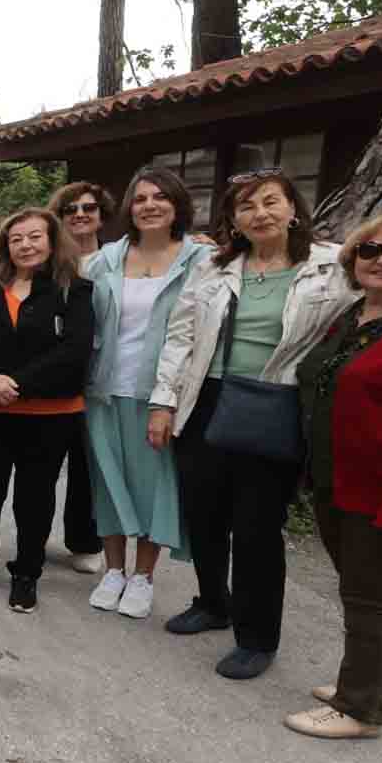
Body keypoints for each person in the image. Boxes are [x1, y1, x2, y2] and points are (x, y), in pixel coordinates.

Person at [150, 169, 353, 678]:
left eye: (270, 203)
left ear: (292, 209)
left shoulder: (332, 267)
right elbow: (180, 336)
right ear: (232, 220)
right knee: (204, 514)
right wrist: (163, 402)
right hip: (207, 398)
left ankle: (257, 637)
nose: (259, 214)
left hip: (273, 402)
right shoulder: (215, 268)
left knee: (258, 526)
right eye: (246, 207)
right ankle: (212, 602)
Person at [81, 167, 209, 621]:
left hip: (161, 393)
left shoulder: (200, 261)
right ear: (129, 209)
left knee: (155, 486)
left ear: (177, 205)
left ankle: (144, 577)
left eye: (160, 197)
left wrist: (168, 399)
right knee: (109, 483)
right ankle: (113, 570)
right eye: (140, 198)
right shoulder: (105, 260)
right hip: (103, 389)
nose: (149, 205)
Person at [0, 207, 94, 612]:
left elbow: (74, 350)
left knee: (34, 500)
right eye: (16, 239)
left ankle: (26, 573)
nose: (25, 245)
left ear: (52, 241)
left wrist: (16, 384)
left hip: (49, 415)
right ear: (5, 246)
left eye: (35, 236)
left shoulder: (75, 290)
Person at [289, 213, 382, 739]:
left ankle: (360, 709)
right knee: (361, 588)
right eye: (373, 249)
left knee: (370, 595)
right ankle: (367, 682)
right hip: (334, 479)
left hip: (378, 490)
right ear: (355, 258)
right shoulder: (352, 316)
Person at [46, 181, 114, 574]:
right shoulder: (50, 263)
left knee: (89, 463)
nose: (80, 214)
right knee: (46, 459)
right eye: (71, 209)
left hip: (103, 373)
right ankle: (33, 535)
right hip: (58, 375)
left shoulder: (118, 261)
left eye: (88, 208)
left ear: (102, 216)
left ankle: (84, 540)